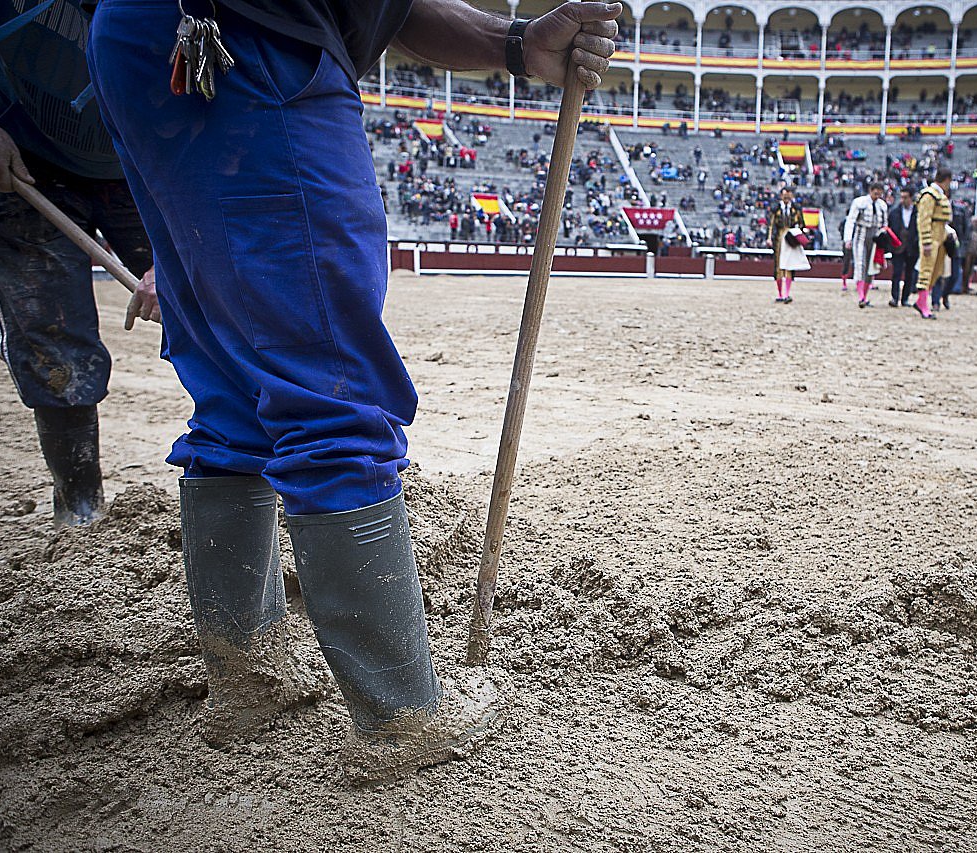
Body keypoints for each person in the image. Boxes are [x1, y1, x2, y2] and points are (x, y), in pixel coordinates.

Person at [85, 0, 620, 781]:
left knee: (234, 389)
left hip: (148, 39)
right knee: (328, 384)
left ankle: (248, 681)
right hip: (253, 42)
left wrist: (513, 45)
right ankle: (401, 716)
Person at [0, 0, 161, 528]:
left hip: (145, 157)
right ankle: (80, 508)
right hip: (15, 141)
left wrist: (179, 258)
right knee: (52, 338)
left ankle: (240, 478)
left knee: (215, 307)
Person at [913, 167, 952, 319]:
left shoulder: (938, 195)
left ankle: (921, 301)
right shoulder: (929, 195)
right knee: (926, 270)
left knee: (936, 271)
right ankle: (923, 304)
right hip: (932, 238)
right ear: (946, 180)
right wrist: (926, 241)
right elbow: (924, 220)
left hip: (940, 236)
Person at [843, 182, 887, 308]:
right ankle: (861, 296)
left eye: (879, 194)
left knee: (870, 268)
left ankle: (864, 296)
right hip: (860, 236)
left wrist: (883, 241)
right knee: (860, 264)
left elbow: (885, 225)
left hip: (875, 238)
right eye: (875, 193)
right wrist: (848, 239)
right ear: (870, 191)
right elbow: (851, 221)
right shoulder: (859, 202)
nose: (877, 196)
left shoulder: (882, 205)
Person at [767, 185, 807, 303]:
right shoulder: (776, 208)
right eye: (785, 195)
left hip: (790, 237)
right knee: (779, 266)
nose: (787, 198)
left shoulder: (796, 208)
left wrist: (799, 234)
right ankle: (781, 294)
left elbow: (802, 224)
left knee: (789, 265)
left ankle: (786, 294)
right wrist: (769, 238)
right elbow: (771, 225)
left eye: (789, 195)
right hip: (779, 238)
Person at [887, 187, 917, 308]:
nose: (902, 200)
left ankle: (905, 298)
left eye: (905, 197)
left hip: (912, 247)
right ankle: (895, 297)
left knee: (909, 274)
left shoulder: (918, 212)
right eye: (902, 197)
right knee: (897, 273)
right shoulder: (894, 212)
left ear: (911, 198)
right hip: (898, 247)